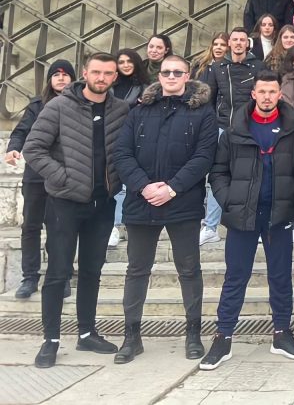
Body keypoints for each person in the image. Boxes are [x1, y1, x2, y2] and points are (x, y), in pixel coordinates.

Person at [22, 53, 130, 368]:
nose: (101, 77)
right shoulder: (58, 107)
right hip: (64, 204)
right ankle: (51, 340)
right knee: (57, 273)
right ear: (84, 73)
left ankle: (86, 333)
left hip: (102, 205)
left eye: (108, 73)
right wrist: (64, 179)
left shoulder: (121, 110)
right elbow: (33, 149)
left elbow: (124, 151)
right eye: (96, 72)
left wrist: (117, 182)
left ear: (114, 78)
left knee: (92, 271)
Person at [200, 71, 294, 370]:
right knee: (235, 277)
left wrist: (292, 194)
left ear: (279, 95)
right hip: (243, 216)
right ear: (253, 94)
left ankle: (281, 333)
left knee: (280, 276)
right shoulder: (236, 130)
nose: (266, 97)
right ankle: (223, 338)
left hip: (279, 216)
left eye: (272, 92)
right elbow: (218, 171)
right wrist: (229, 200)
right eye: (261, 91)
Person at [111, 55, 218, 363]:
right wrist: (144, 186)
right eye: (166, 72)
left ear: (187, 76)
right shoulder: (139, 110)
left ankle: (193, 334)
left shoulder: (203, 113)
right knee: (137, 270)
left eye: (177, 72)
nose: (171, 76)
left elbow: (204, 156)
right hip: (141, 201)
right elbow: (122, 152)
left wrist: (172, 188)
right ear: (159, 76)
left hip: (182, 202)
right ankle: (131, 337)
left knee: (188, 270)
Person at [5, 60, 75, 300]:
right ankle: (30, 277)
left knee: (60, 227)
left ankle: (62, 275)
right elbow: (21, 131)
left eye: (66, 75)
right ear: (49, 79)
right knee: (31, 226)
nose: (61, 78)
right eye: (56, 74)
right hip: (36, 177)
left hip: (65, 175)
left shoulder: (80, 104)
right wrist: (14, 148)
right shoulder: (37, 105)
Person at [202, 28, 260, 246]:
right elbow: (210, 100)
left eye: (242, 40)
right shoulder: (217, 68)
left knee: (254, 175)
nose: (238, 43)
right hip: (223, 128)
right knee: (218, 176)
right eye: (234, 40)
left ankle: (255, 223)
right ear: (229, 44)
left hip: (252, 128)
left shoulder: (258, 67)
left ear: (247, 44)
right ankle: (210, 226)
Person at [109, 48, 148, 247]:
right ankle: (114, 226)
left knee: (126, 183)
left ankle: (121, 225)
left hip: (135, 138)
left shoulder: (145, 87)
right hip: (111, 136)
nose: (125, 65)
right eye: (121, 61)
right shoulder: (109, 87)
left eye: (129, 61)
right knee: (114, 183)